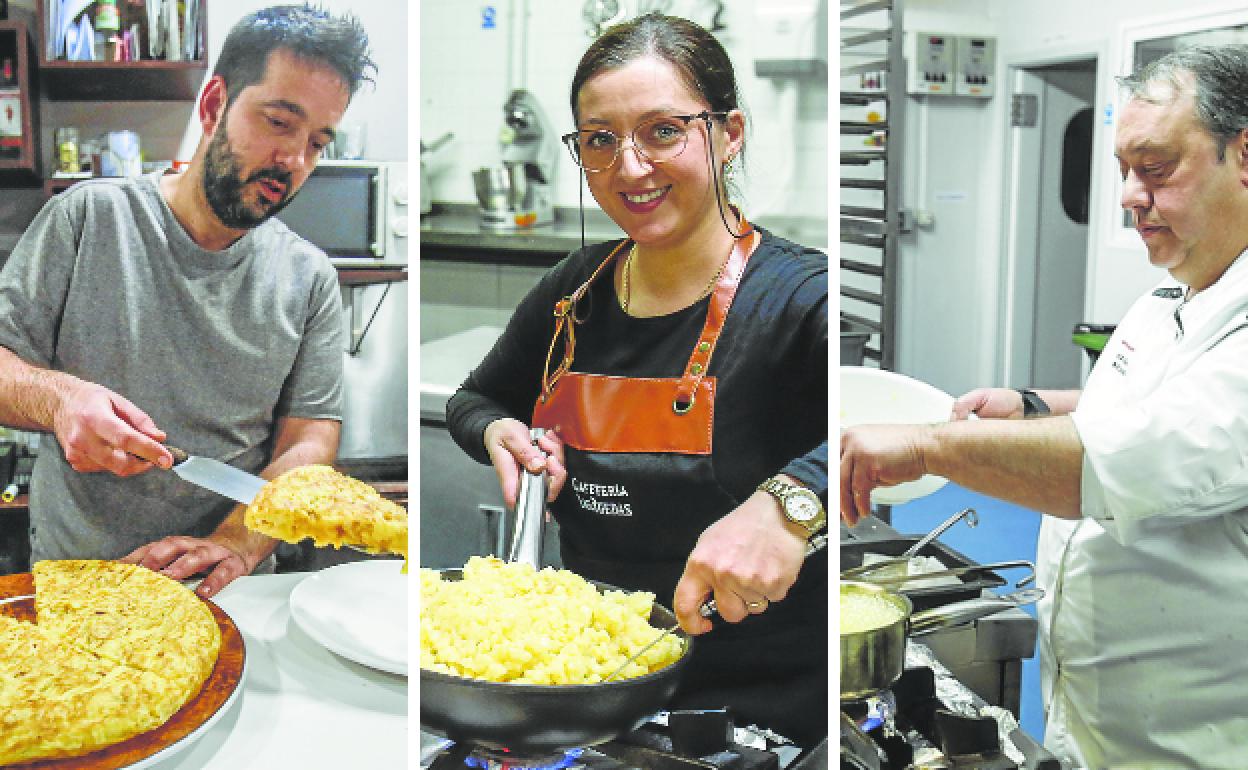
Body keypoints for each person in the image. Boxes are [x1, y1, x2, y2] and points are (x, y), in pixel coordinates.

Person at [840, 43, 1248, 768]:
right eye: (1124, 169)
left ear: (1243, 156)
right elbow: (1144, 404)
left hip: (1190, 738)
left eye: (1155, 169)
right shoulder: (1179, 288)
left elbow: (1108, 464)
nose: (1128, 194)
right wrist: (1032, 405)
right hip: (1101, 707)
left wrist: (929, 445)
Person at [446, 13, 828, 747]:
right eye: (599, 140)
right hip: (590, 697)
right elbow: (477, 399)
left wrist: (789, 502)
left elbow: (866, 431)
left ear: (729, 133)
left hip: (758, 717)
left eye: (662, 131)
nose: (629, 168)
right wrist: (500, 431)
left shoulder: (799, 296)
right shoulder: (574, 292)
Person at [0, 5, 374, 600]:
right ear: (212, 104)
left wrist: (236, 542)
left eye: (317, 142)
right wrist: (60, 400)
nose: (295, 161)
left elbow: (309, 442)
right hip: (84, 584)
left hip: (228, 590)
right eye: (279, 122)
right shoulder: (88, 219)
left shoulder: (308, 278)